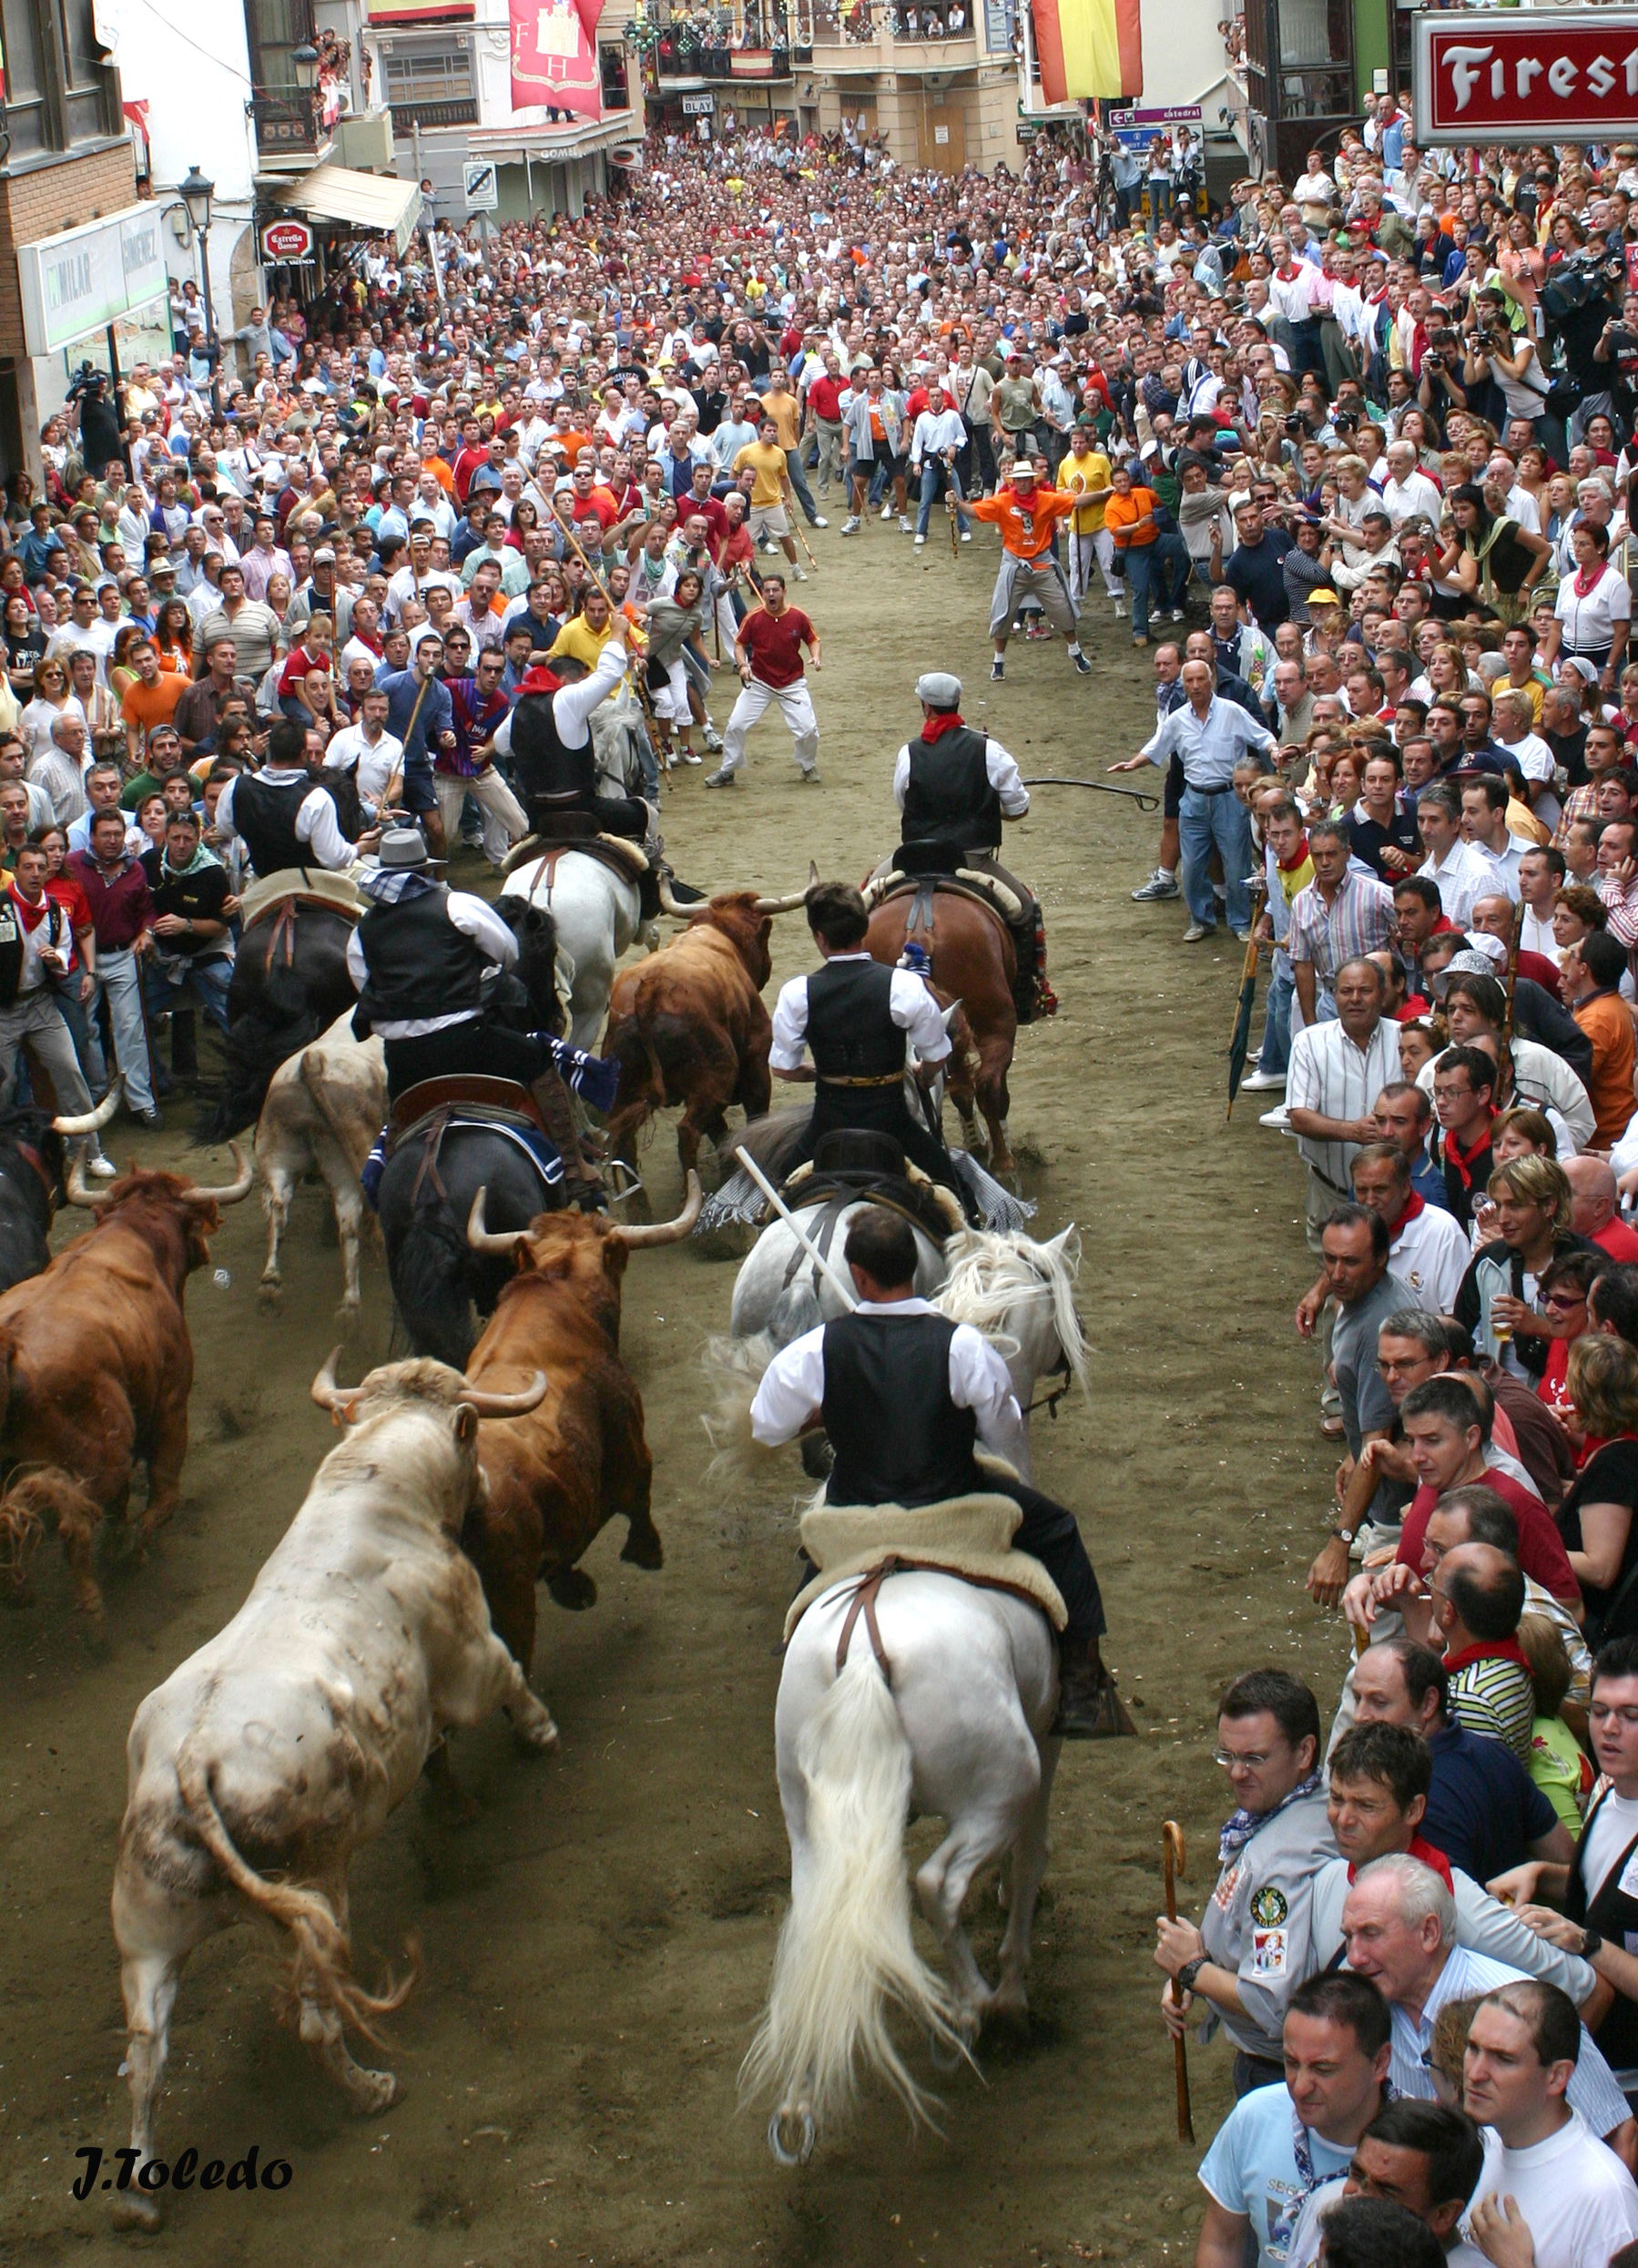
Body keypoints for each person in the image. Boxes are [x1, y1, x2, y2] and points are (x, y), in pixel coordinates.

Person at [748, 1206, 1129, 1738]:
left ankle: (797, 1651)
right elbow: (1003, 1435)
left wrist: (822, 1411)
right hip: (952, 1502)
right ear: (915, 1266)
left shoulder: (814, 1351)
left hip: (853, 1510)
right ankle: (1084, 1688)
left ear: (857, 1276)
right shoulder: (964, 1346)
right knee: (1061, 1532)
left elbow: (765, 1427)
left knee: (810, 1580)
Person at [347, 825, 616, 1207]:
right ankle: (574, 1170)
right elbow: (507, 950)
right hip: (468, 1039)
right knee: (539, 1060)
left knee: (402, 1113)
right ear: (426, 870)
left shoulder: (363, 928)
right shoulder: (455, 905)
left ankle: (386, 1181)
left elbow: (362, 981)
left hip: (404, 1055)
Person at [1337, 1856, 1633, 2139]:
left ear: (1429, 1932)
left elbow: (1619, 2132)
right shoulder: (1365, 2013)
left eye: (1371, 1934)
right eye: (1349, 1937)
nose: (1355, 1956)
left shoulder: (1521, 2006)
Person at [1310, 1723, 1596, 2006]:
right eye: (1337, 1799)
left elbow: (1588, 1988)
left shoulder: (1463, 1908)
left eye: (1365, 1806)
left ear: (1414, 1810)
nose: (1343, 1819)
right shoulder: (1328, 1881)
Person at [1154, 1669, 1336, 2097]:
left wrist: (1193, 1970)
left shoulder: (1275, 1868)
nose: (1236, 1773)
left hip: (1276, 2076)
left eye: (1254, 1758)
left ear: (1304, 1751)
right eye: (1226, 1756)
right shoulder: (1318, 1796)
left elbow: (1271, 2003)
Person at [768, 880, 961, 1196]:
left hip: (827, 1127)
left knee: (773, 1197)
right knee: (957, 1190)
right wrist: (922, 1075)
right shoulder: (903, 985)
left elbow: (783, 1069)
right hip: (893, 1124)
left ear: (819, 936)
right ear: (864, 927)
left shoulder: (796, 993)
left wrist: (824, 1075)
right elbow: (936, 1056)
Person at [1194, 1973, 1394, 2268]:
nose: (1299, 2087)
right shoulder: (1254, 2118)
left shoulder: (1417, 2147)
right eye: (1291, 2062)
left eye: (1322, 2069)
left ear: (1379, 2063)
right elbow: (1221, 2244)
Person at [887, 671, 1050, 1022]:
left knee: (860, 901)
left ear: (925, 707)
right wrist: (993, 808)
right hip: (970, 860)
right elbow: (1018, 808)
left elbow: (904, 803)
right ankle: (1025, 995)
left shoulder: (908, 753)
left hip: (913, 858)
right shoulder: (988, 750)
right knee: (1024, 908)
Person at [1351, 1639, 1574, 1886]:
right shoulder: (1495, 1754)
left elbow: (1441, 1908)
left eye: (1378, 1702)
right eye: (1357, 1698)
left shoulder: (1416, 1797)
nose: (1360, 1715)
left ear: (1428, 1703)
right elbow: (1565, 1859)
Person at [1461, 1981, 1638, 2266]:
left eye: (1503, 2058)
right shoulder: (1480, 2145)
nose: (1476, 2072)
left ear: (1557, 2076)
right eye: (1472, 2048)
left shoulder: (1603, 2195)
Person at [1110, 656, 1277, 942]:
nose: (1196, 685)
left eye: (1201, 679)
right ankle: (1201, 920)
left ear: (1210, 680)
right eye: (1190, 680)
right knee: (1192, 865)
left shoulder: (1232, 711)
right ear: (1183, 684)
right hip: (1194, 797)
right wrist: (1133, 763)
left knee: (1236, 863)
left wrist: (1274, 750)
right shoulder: (1178, 719)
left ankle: (1239, 922)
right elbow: (1156, 746)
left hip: (1228, 796)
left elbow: (1261, 736)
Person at [1286, 2100, 1488, 2268]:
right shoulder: (1324, 2205)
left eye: (1386, 2192)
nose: (1357, 2198)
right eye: (1357, 2175)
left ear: (1444, 2214)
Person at [1287, 973, 1405, 1246]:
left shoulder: (1403, 1039)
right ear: (1334, 995)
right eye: (1346, 991)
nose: (1355, 999)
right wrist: (1351, 1131)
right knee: (1338, 1277)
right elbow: (1299, 1118)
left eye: (1365, 990)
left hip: (1393, 1198)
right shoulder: (1310, 1043)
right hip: (1332, 1192)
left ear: (1382, 994)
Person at [964, 458, 1091, 681]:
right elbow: (975, 512)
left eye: (1026, 479)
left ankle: (1076, 652)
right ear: (1013, 482)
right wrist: (956, 503)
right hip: (1014, 563)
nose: (1022, 483)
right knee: (1002, 613)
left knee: (1062, 609)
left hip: (1041, 563)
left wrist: (1105, 493)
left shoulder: (1046, 498)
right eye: (1019, 480)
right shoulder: (1003, 501)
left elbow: (1076, 501)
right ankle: (998, 661)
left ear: (1032, 481)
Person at [212, 717, 366, 880]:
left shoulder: (236, 786)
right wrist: (361, 848)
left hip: (261, 885)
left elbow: (225, 829)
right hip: (307, 891)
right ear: (303, 754)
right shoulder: (316, 798)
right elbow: (334, 859)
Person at [707, 575, 821, 788]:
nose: (770, 594)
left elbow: (813, 639)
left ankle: (808, 765)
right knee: (736, 725)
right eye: (767, 590)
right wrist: (742, 665)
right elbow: (739, 644)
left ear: (784, 591)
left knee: (807, 729)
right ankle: (727, 770)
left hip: (792, 683)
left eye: (775, 590)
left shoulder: (798, 616)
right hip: (759, 682)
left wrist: (815, 657)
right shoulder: (753, 617)